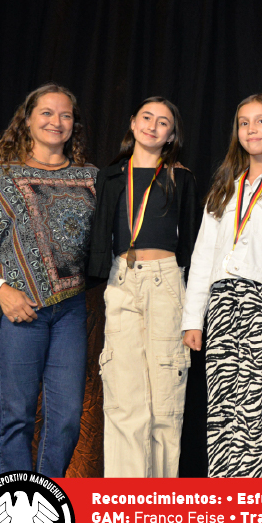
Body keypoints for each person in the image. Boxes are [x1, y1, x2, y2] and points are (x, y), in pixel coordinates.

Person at [0, 84, 97, 477]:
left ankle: (47, 497)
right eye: (46, 113)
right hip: (17, 309)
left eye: (65, 115)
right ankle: (17, 502)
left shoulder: (91, 178)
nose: (56, 121)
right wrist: (1, 291)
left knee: (66, 417)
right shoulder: (1, 177)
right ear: (28, 120)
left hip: (69, 311)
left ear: (74, 125)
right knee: (16, 415)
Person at [181, 93, 262, 478]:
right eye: (244, 122)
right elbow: (203, 255)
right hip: (222, 306)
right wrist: (193, 318)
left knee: (260, 416)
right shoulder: (226, 186)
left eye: (260, 121)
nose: (251, 129)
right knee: (222, 411)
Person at [87, 96, 200, 477]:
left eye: (163, 122)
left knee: (165, 401)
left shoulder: (181, 179)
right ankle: (127, 501)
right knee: (124, 398)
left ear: (171, 135)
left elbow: (193, 243)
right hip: (122, 280)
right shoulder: (110, 177)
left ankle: (160, 501)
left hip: (166, 281)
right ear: (133, 123)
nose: (153, 126)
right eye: (146, 117)